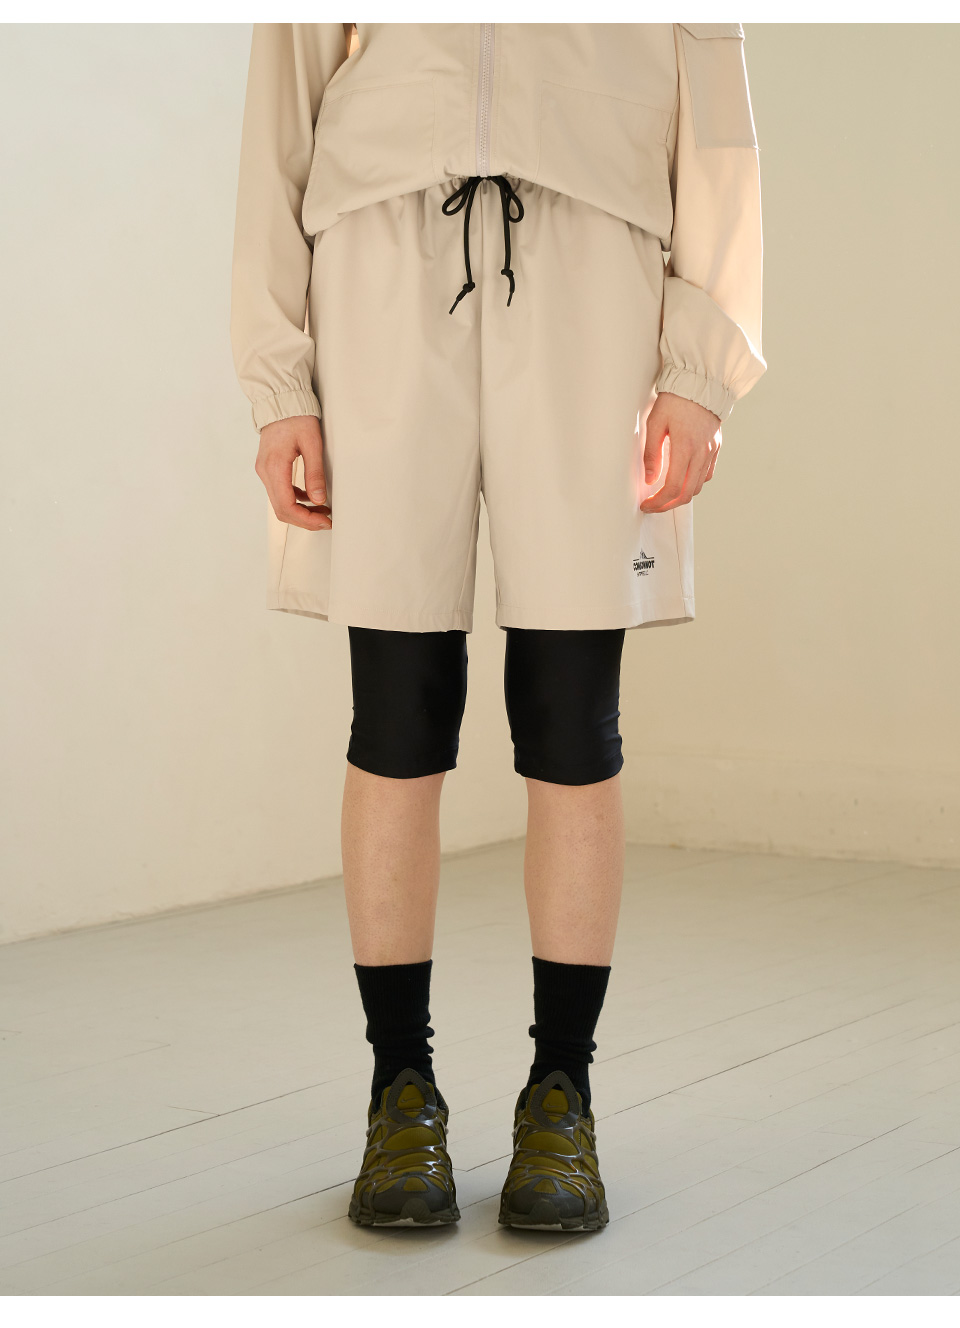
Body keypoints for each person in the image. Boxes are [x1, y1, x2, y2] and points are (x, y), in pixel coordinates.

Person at [231, 21, 765, 1233]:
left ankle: (561, 1092)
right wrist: (279, 383)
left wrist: (702, 368)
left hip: (594, 265)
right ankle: (399, 1090)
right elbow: (279, 114)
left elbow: (720, 123)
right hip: (377, 261)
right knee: (397, 706)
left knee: (573, 714)